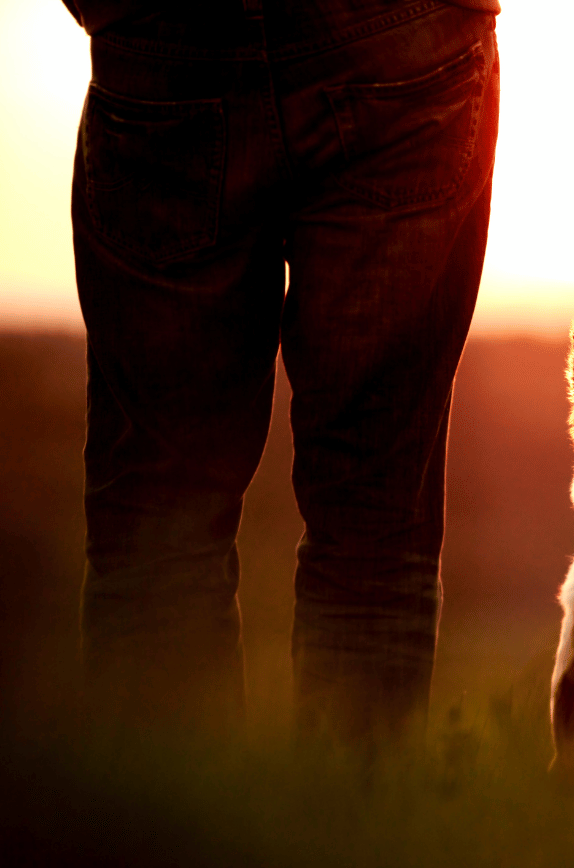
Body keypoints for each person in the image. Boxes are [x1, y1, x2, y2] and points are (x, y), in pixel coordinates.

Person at [64, 0, 501, 746]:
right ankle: (346, 850)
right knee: (374, 526)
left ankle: (172, 854)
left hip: (169, 42)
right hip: (403, 38)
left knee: (158, 530)